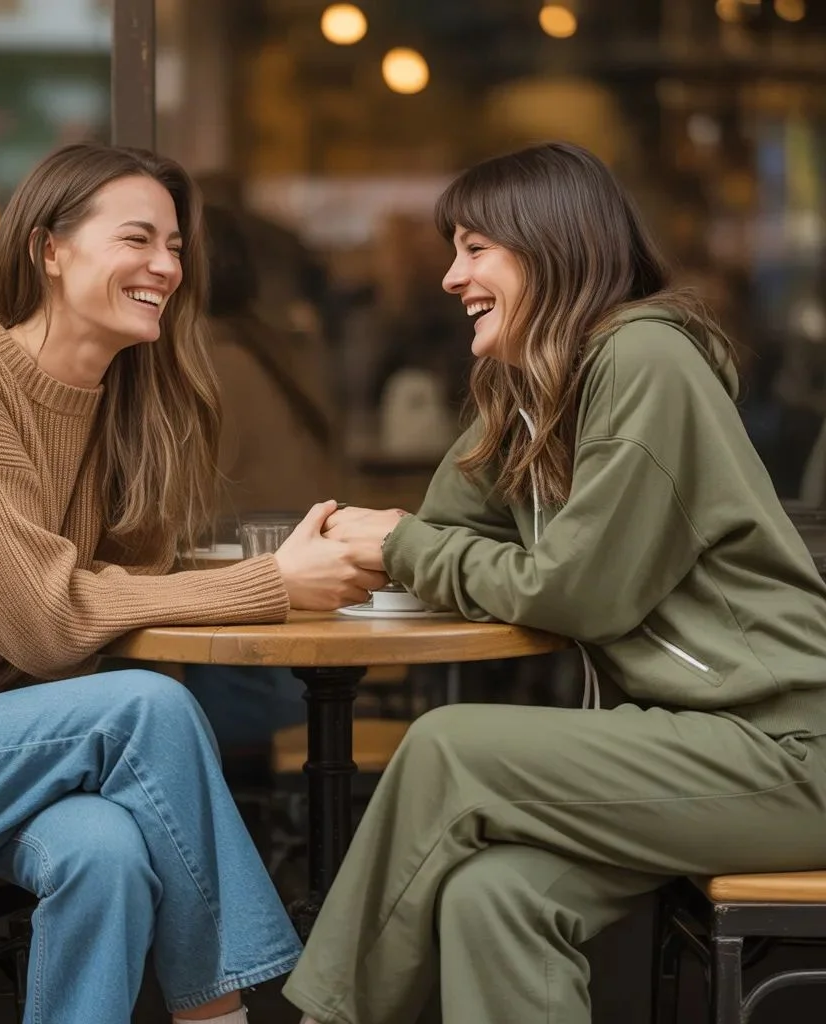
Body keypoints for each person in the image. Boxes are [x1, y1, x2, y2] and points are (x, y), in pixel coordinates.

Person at [0, 142, 387, 1024]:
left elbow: (118, 591)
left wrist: (282, 573)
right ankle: (231, 1014)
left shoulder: (126, 403)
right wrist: (269, 583)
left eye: (176, 246)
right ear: (50, 248)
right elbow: (44, 620)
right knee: (144, 707)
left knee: (105, 853)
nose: (166, 266)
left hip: (16, 755)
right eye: (137, 238)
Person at [282, 141, 826, 1024]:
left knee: (447, 746)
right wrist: (500, 402)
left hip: (787, 750)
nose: (451, 277)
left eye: (475, 249)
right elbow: (446, 531)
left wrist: (405, 542)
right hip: (684, 742)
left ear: (550, 248)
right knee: (494, 896)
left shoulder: (646, 359)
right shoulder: (548, 385)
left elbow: (577, 593)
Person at [181, 204, 339, 752]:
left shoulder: (213, 365)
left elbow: (181, 515)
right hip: (297, 648)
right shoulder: (268, 349)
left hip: (253, 658)